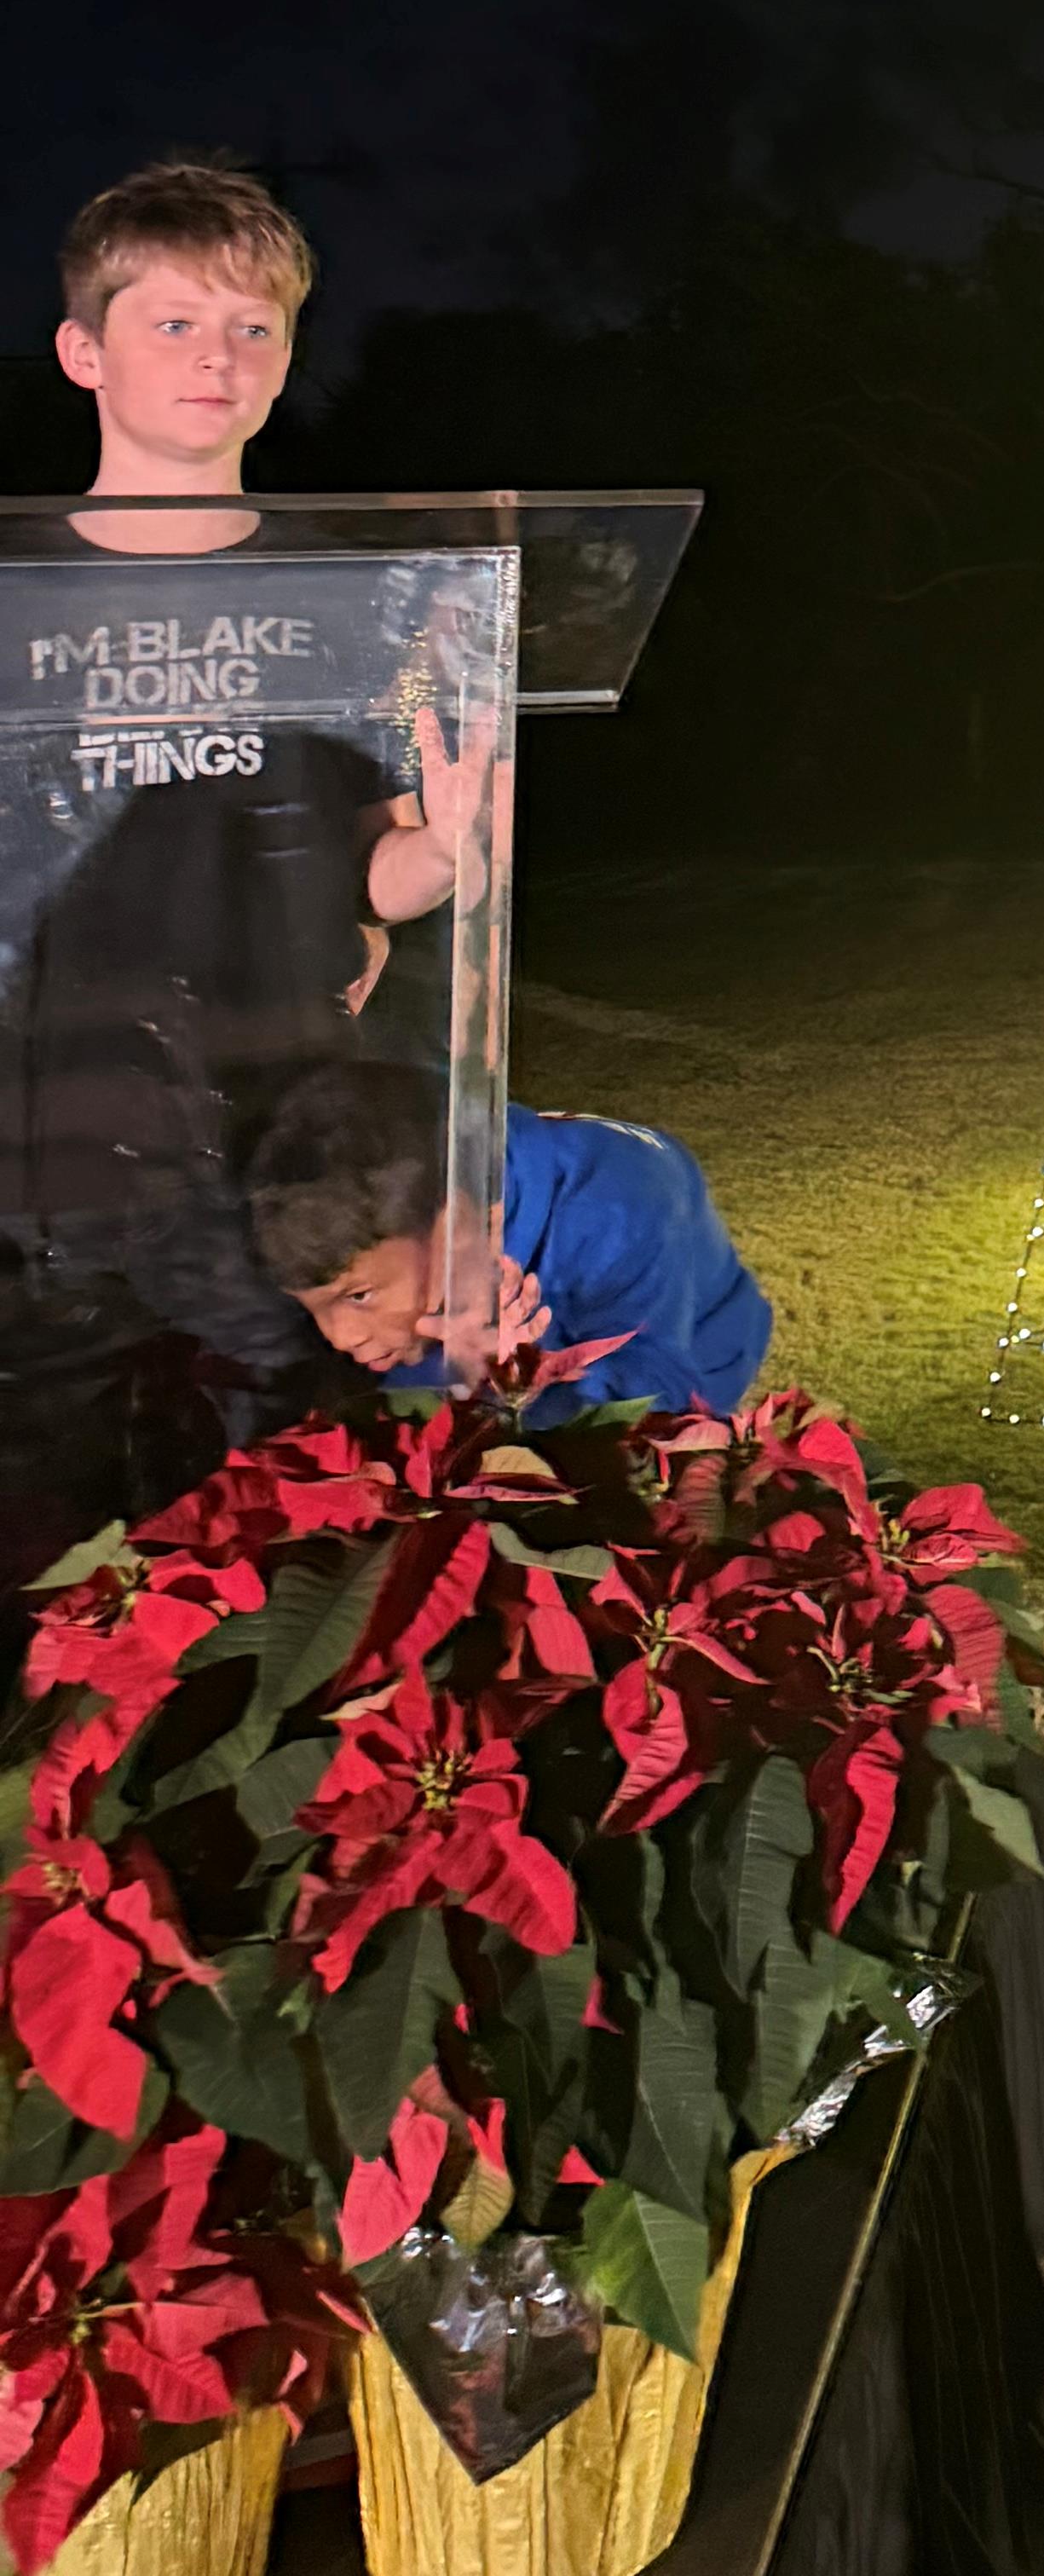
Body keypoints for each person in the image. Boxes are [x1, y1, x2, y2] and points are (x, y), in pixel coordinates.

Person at [0, 165, 473, 1624]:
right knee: (56, 1585)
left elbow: (378, 862)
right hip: (44, 1179)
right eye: (176, 319)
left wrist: (453, 849)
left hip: (288, 1172)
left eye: (255, 328)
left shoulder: (359, 602)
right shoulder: (7, 592)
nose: (219, 357)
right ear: (85, 348)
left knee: (292, 1579)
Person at [245, 1055, 773, 1420]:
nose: (339, 1336)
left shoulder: (619, 1204)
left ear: (457, 1225)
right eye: (312, 1307)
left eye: (359, 1296)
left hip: (699, 1355)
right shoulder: (421, 1192)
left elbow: (662, 1390)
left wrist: (519, 1379)